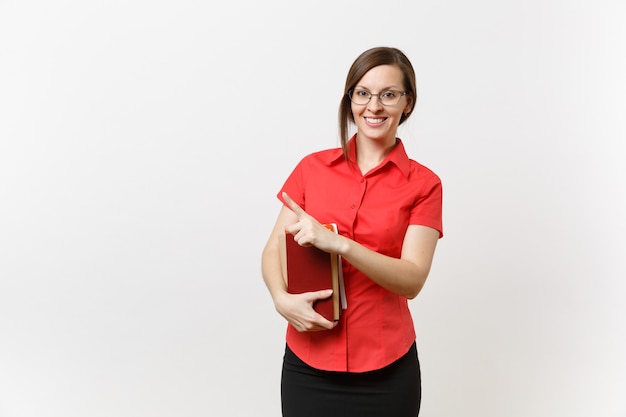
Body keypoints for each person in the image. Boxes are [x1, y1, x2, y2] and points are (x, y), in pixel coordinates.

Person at [261, 46, 443, 417]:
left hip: (387, 372)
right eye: (362, 93)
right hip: (307, 363)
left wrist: (341, 244)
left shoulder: (425, 185)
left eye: (388, 95)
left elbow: (412, 280)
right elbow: (272, 252)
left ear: (407, 103)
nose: (373, 106)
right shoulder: (311, 169)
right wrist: (281, 299)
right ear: (350, 100)